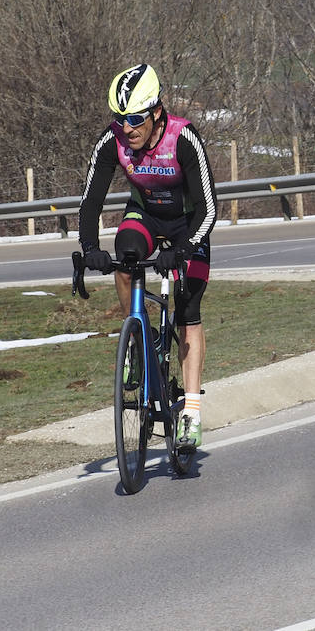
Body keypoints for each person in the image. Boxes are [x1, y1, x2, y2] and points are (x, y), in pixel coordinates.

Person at [78, 63, 217, 450]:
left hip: (189, 223)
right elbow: (91, 201)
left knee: (189, 308)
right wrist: (90, 249)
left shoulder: (183, 138)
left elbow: (209, 208)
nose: (127, 128)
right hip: (146, 215)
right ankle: (137, 339)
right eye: (120, 119)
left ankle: (190, 410)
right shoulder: (113, 141)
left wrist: (183, 249)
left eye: (135, 119)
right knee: (125, 257)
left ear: (157, 111)